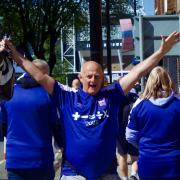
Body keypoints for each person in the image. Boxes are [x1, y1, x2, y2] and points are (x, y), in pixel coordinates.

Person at [1, 31, 179, 180]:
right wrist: (15, 55)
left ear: (103, 79)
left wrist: (162, 51)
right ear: (80, 77)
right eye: (89, 76)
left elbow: (138, 71)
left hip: (107, 172)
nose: (93, 79)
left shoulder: (112, 94)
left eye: (97, 76)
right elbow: (38, 75)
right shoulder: (66, 95)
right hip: (74, 173)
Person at [0, 59, 62, 180]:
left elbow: (3, 125)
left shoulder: (9, 93)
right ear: (42, 74)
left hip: (15, 159)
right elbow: (56, 126)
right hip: (41, 159)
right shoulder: (48, 95)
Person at [126, 66, 180, 180]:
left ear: (149, 81)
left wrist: (144, 146)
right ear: (168, 80)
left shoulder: (139, 105)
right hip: (175, 162)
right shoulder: (177, 103)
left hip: (148, 161)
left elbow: (130, 136)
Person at [116, 88, 139, 180]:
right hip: (133, 130)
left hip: (119, 131)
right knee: (135, 157)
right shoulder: (135, 97)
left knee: (122, 156)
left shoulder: (116, 98)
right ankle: (133, 174)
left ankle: (125, 178)